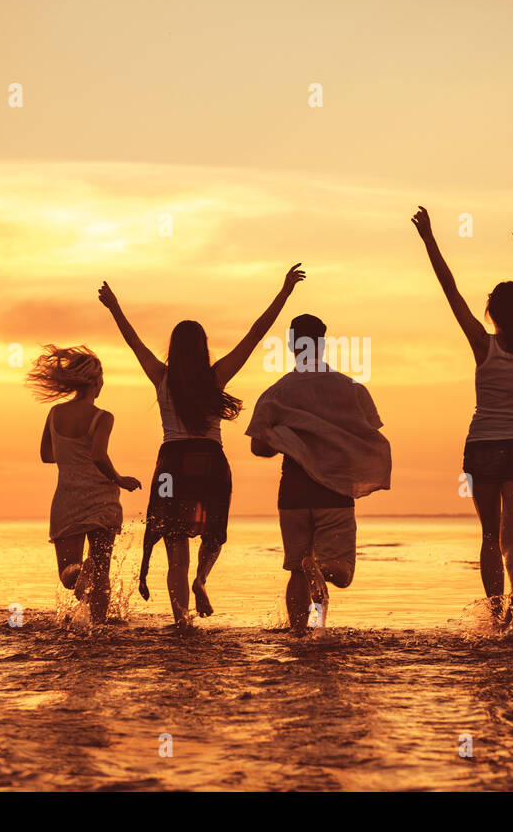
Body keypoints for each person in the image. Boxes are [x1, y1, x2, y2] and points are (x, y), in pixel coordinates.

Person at [97, 264, 305, 628]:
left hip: (172, 466)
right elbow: (256, 334)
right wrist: (284, 292)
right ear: (203, 347)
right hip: (210, 462)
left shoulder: (160, 376)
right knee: (213, 530)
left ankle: (182, 622)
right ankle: (201, 580)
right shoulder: (216, 376)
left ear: (174, 349)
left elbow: (133, 341)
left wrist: (114, 307)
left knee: (176, 547)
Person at [411, 207, 513, 621]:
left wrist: (429, 238)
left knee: (489, 536)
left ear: (494, 314)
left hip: (483, 447)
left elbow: (448, 288)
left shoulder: (482, 344)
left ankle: (494, 611)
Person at [246, 314, 391, 633]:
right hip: (333, 492)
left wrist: (285, 438)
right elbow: (366, 436)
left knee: (297, 571)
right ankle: (319, 589)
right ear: (323, 345)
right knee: (341, 574)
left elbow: (259, 448)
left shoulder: (277, 392)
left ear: (291, 345)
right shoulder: (351, 389)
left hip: (293, 494)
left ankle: (300, 634)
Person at [28, 345, 141, 623]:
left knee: (68, 574)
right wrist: (120, 479)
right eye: (102, 379)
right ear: (94, 382)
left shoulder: (55, 414)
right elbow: (98, 455)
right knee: (102, 574)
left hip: (68, 500)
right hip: (102, 499)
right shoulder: (103, 417)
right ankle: (100, 629)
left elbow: (46, 455)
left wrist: (70, 455)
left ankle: (81, 573)